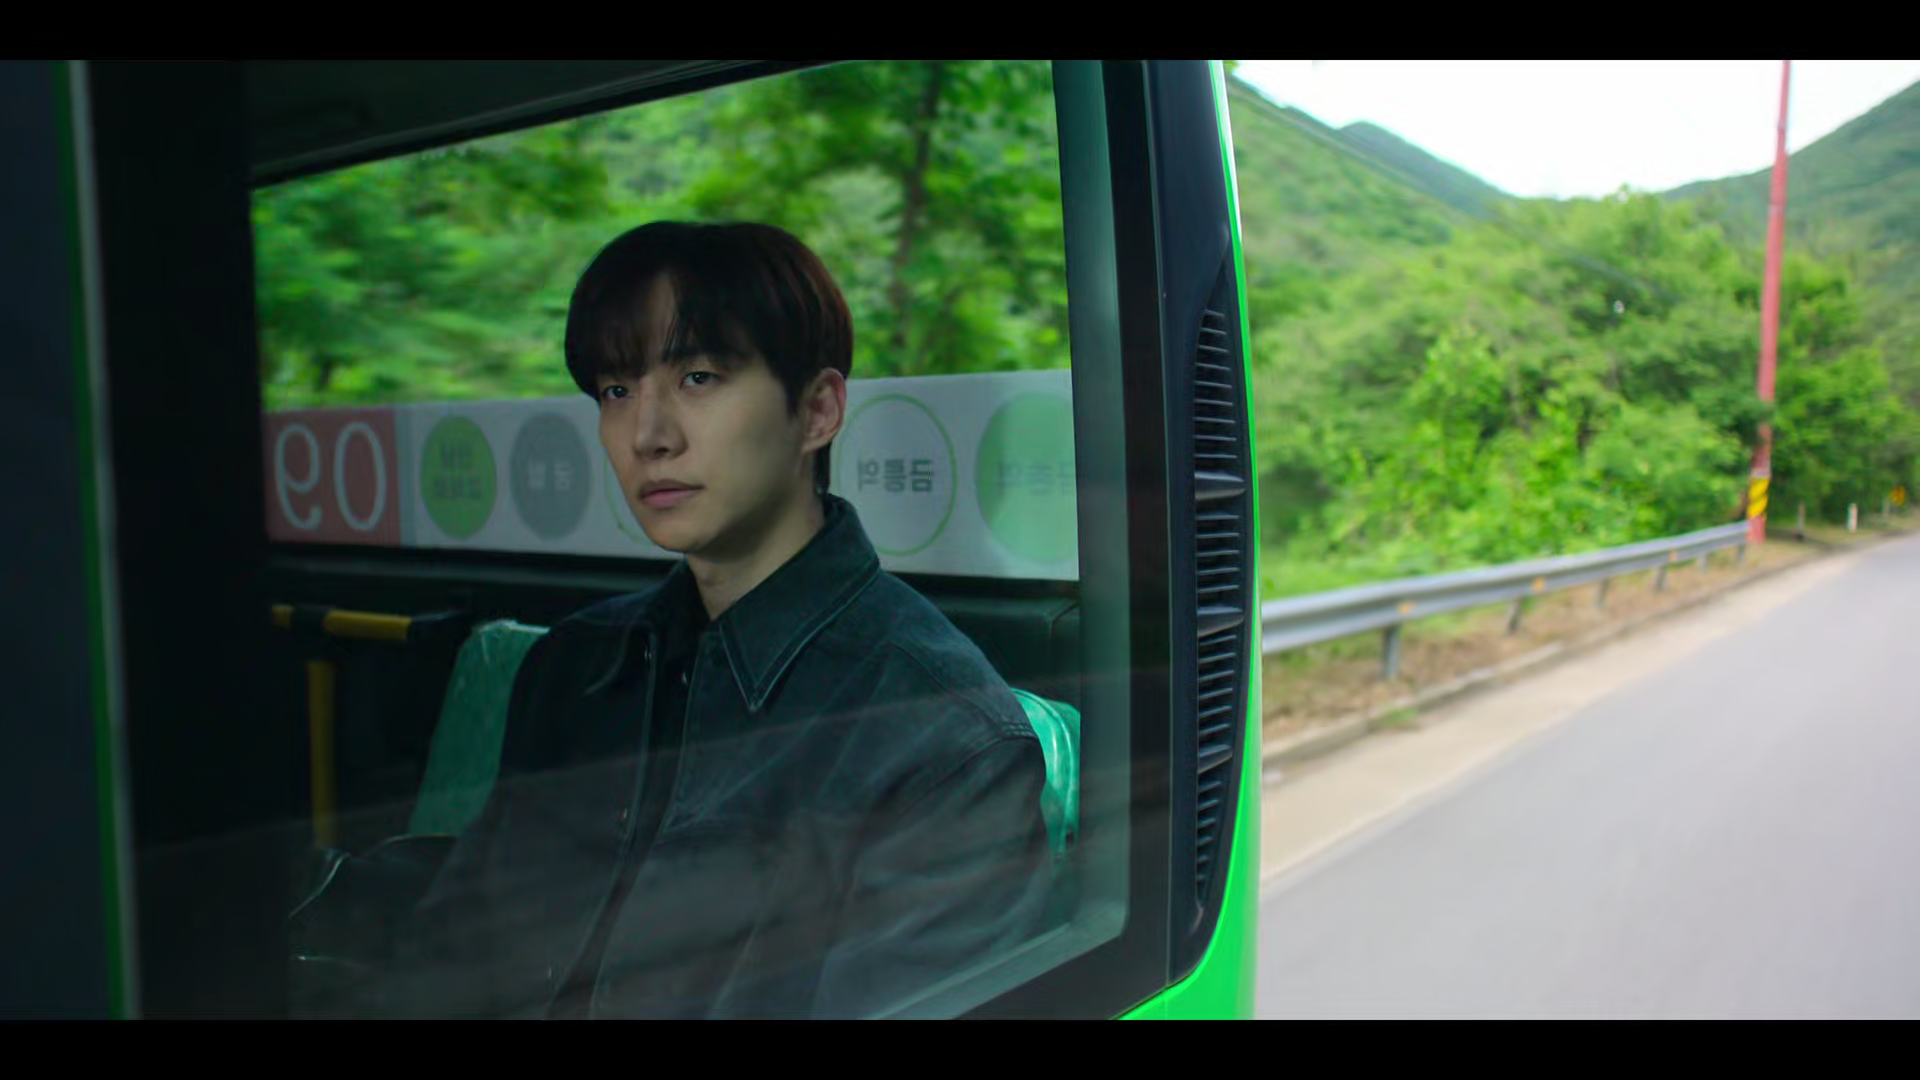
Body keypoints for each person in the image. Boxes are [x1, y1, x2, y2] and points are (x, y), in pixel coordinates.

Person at [366, 221, 1053, 1020]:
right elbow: (450, 961)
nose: (648, 436)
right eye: (617, 391)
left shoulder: (942, 737)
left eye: (697, 377)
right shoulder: (574, 667)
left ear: (817, 410)